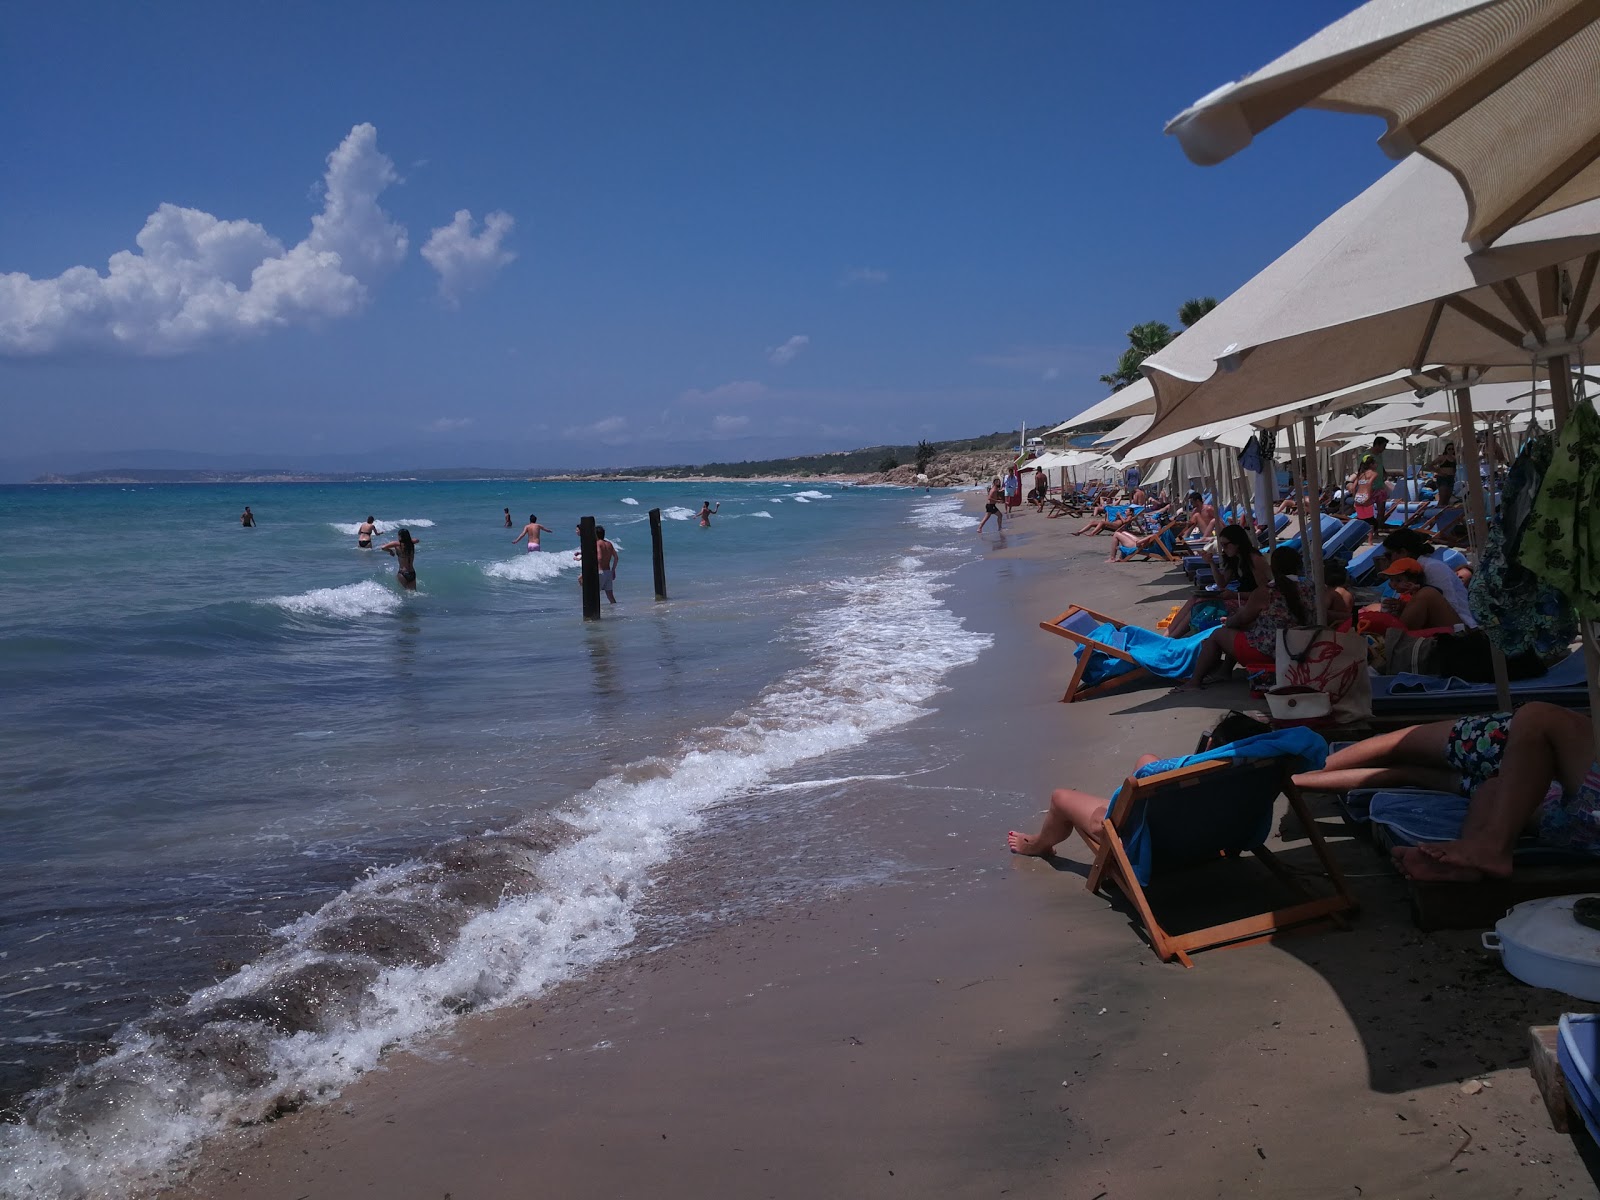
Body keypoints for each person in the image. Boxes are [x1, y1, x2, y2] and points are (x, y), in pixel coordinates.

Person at [1292, 704, 1599, 882]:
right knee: (1487, 787)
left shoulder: (1502, 735)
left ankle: (1287, 777)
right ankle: (1476, 850)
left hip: (1509, 757)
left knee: (1536, 717)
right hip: (1578, 821)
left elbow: (1397, 744)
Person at [1176, 536, 1313, 691]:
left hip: (1270, 649)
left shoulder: (1266, 591)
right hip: (1304, 646)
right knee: (1243, 629)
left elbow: (1242, 618)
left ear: (1273, 567)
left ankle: (1194, 682)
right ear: (1298, 566)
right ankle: (1224, 671)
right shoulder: (1311, 587)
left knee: (1218, 635)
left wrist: (1227, 621)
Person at [1007, 754, 1165, 857]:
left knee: (1060, 798)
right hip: (1181, 832)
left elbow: (1098, 827)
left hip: (1148, 848)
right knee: (1147, 762)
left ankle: (1037, 845)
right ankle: (1130, 811)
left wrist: (1102, 816)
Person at [1381, 528, 1476, 626]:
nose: (1388, 561)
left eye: (1388, 556)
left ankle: (1398, 637)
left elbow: (1450, 605)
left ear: (1403, 552)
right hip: (1437, 621)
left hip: (1461, 625)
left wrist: (1417, 599)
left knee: (1426, 593)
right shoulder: (1405, 572)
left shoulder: (1433, 568)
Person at [1371, 557, 1463, 632]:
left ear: (1413, 580)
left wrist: (1418, 588)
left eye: (1398, 580)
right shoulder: (1399, 595)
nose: (1394, 584)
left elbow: (1437, 592)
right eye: (1391, 580)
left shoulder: (1420, 593)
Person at [1350, 454, 1389, 541]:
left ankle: (1358, 537)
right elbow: (1369, 484)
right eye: (1375, 463)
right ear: (1371, 464)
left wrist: (1354, 498)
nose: (1377, 465)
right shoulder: (1374, 473)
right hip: (1365, 496)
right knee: (1371, 520)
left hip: (1358, 496)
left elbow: (1353, 487)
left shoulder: (1360, 474)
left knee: (1361, 518)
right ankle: (1370, 541)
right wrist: (1368, 496)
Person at [1324, 560, 1354, 630]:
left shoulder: (1332, 593)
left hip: (1333, 627)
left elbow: (1323, 611)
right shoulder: (1348, 594)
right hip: (1346, 625)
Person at [595, 525, 618, 604]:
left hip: (601, 571)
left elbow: (600, 557)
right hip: (608, 572)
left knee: (594, 594)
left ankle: (595, 613)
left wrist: (599, 569)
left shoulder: (598, 543)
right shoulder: (609, 544)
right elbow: (616, 557)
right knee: (610, 596)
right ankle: (616, 611)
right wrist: (613, 570)